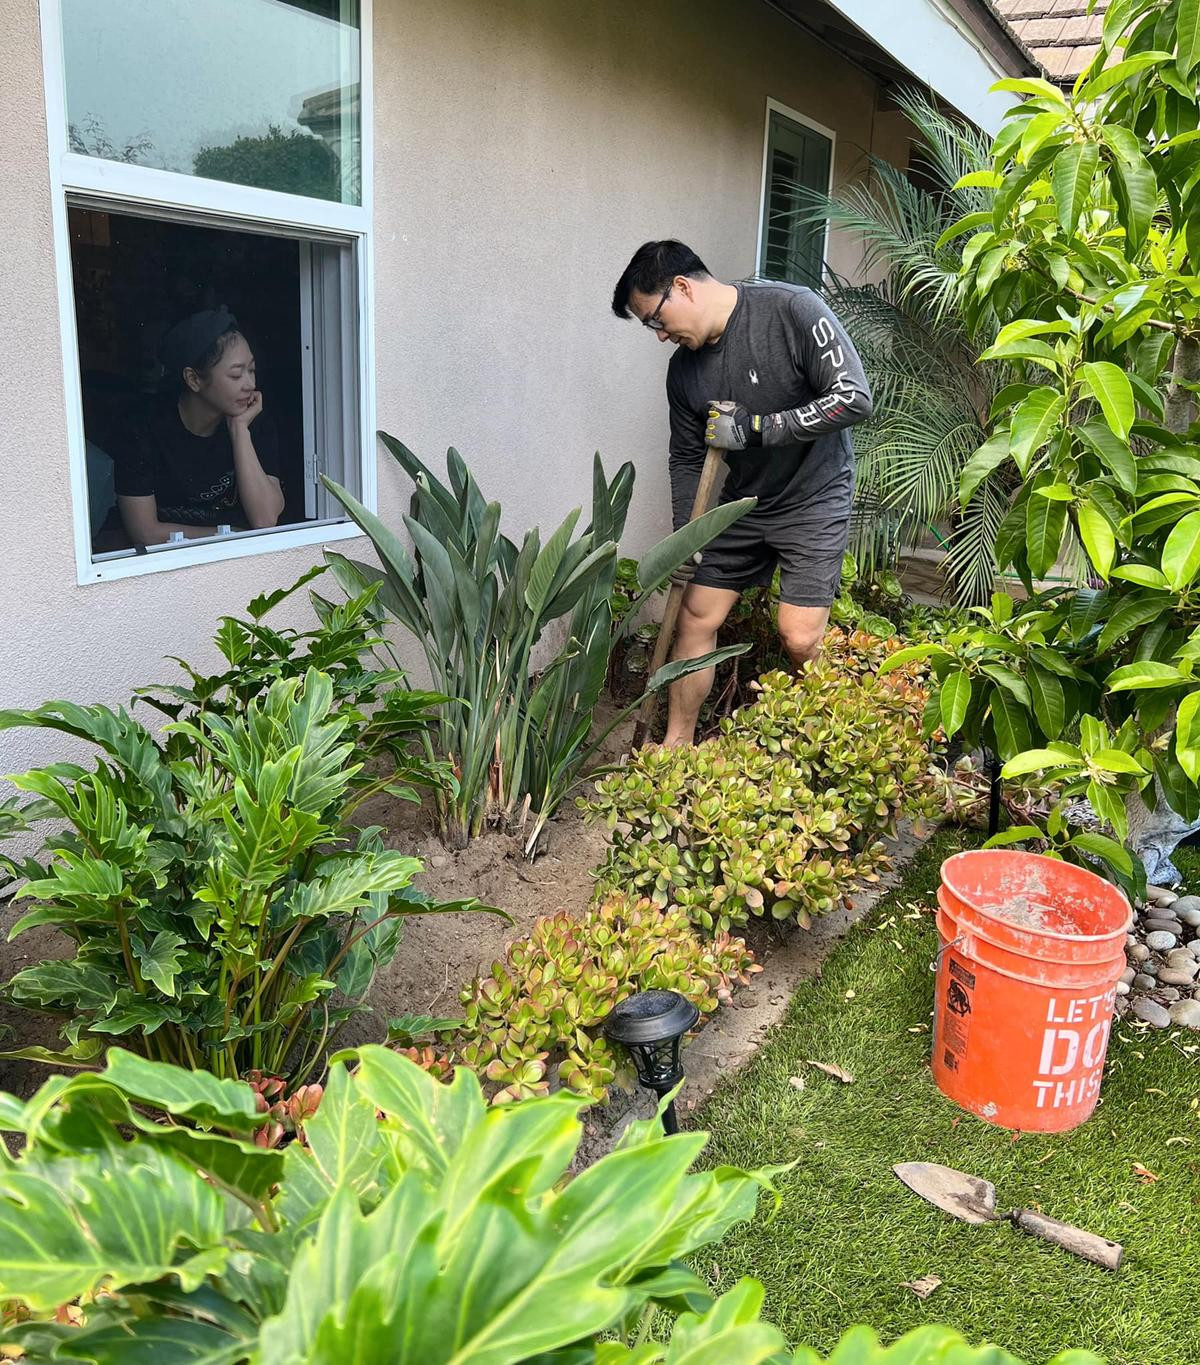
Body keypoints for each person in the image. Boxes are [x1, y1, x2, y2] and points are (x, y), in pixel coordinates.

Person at [611, 239, 873, 747]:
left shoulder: (791, 310)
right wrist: (687, 535)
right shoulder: (684, 373)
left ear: (682, 287)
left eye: (655, 320)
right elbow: (686, 458)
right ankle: (676, 747)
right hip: (742, 506)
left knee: (799, 637)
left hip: (813, 497)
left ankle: (835, 740)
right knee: (694, 618)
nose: (661, 336)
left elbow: (853, 398)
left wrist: (756, 430)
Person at [112, 308, 285, 546]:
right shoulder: (143, 429)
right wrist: (231, 536)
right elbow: (144, 532)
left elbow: (265, 519)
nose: (250, 384)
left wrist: (239, 431)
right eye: (236, 375)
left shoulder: (254, 421)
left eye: (252, 370)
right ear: (194, 379)